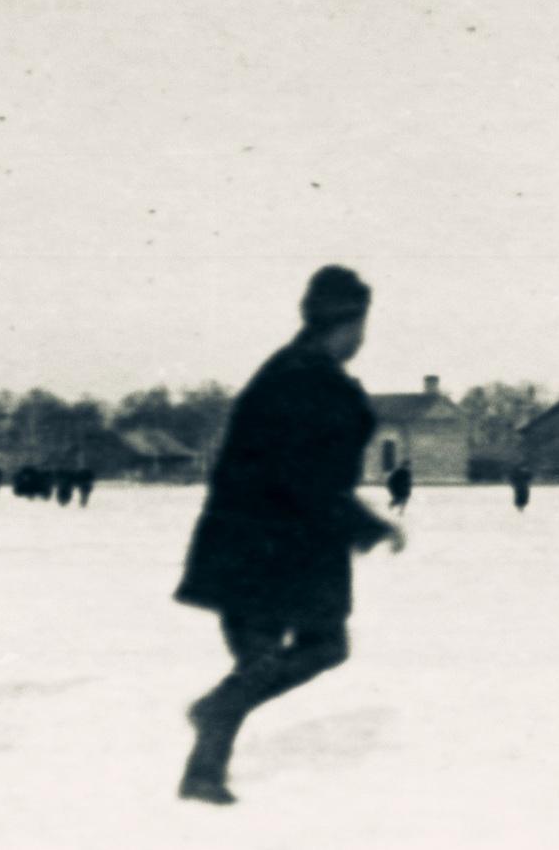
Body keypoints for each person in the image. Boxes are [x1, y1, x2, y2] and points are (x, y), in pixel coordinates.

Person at [173, 266, 404, 806]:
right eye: (361, 325)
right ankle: (206, 756)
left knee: (297, 651)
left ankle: (207, 749)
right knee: (296, 652)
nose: (363, 338)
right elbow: (306, 476)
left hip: (265, 541)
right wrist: (365, 525)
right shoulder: (307, 380)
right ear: (346, 324)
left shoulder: (293, 369)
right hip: (268, 544)